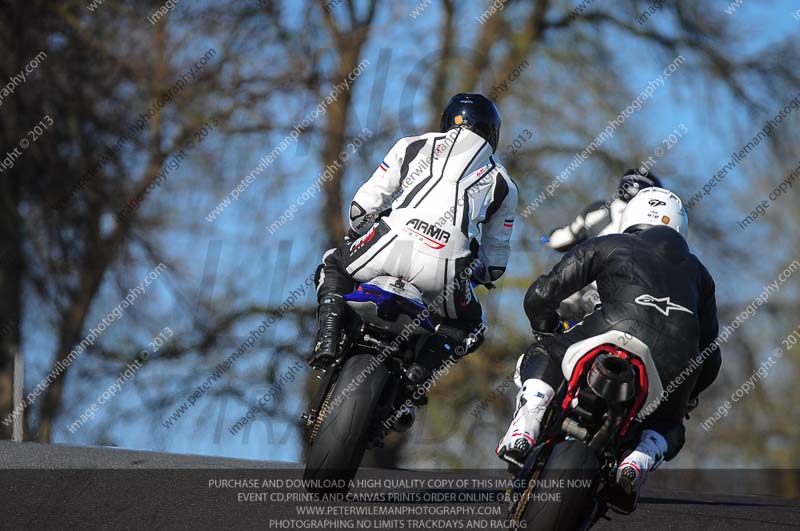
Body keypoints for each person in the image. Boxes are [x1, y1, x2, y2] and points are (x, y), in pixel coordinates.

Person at [496, 187, 721, 508]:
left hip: (610, 329)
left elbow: (542, 293)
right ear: (680, 227)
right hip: (674, 362)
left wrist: (544, 329)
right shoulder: (700, 275)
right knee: (670, 424)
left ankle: (527, 423)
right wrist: (688, 394)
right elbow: (711, 354)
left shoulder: (608, 243)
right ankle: (637, 462)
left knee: (543, 353)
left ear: (631, 215)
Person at [310, 93, 518, 383]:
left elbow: (361, 208)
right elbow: (495, 263)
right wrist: (480, 273)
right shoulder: (504, 183)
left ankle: (327, 338)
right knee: (472, 324)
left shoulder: (412, 145)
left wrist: (361, 230)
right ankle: (418, 375)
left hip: (386, 247)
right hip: (445, 274)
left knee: (333, 262)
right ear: (492, 132)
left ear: (447, 121)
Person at [546, 169, 663, 321]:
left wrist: (552, 237)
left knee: (554, 317)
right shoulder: (658, 229)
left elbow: (562, 240)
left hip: (590, 293)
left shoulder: (599, 211)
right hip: (636, 303)